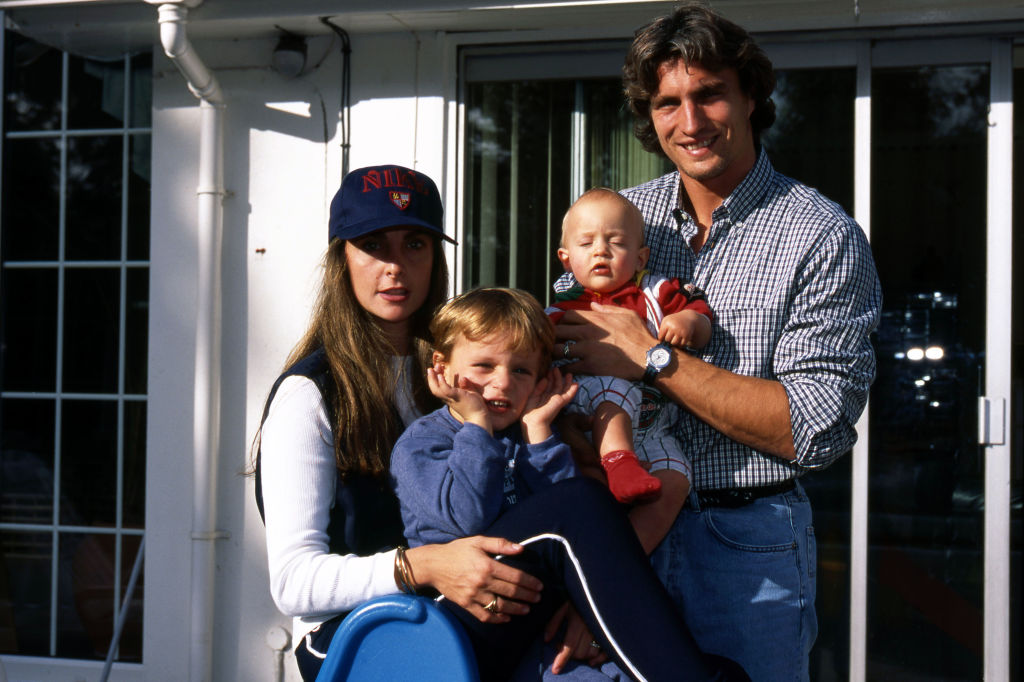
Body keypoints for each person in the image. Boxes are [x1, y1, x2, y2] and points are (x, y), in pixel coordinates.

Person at [552, 4, 882, 681]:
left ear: (751, 95)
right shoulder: (617, 218)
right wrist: (592, 551)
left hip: (746, 547)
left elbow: (812, 427)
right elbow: (560, 364)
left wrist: (655, 359)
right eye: (668, 102)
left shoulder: (820, 236)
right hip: (620, 531)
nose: (691, 121)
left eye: (709, 94)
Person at [391, 287, 749, 682]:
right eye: (483, 366)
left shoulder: (525, 434)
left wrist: (540, 433)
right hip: (460, 615)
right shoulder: (424, 441)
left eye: (521, 370)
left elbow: (578, 536)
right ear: (441, 367)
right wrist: (476, 425)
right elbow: (467, 518)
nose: (503, 383)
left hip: (530, 617)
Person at [546, 188, 711, 507]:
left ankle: (633, 550)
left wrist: (689, 322)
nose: (601, 252)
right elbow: (530, 350)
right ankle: (618, 466)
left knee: (676, 478)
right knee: (611, 392)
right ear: (566, 260)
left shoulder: (655, 292)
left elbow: (699, 312)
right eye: (586, 243)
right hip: (588, 417)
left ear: (640, 258)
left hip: (652, 424)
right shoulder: (561, 311)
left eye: (616, 242)